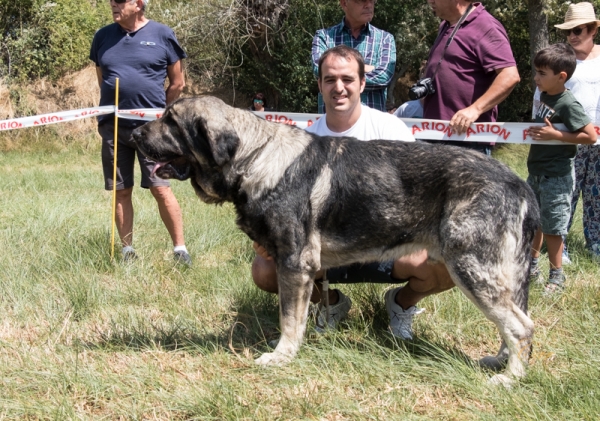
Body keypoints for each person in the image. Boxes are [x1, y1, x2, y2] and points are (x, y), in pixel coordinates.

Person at [252, 45, 455, 340]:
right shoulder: (303, 144)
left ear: (362, 83)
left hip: (388, 245)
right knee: (265, 270)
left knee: (450, 261)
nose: (339, 88)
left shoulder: (391, 129)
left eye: (347, 79)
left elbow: (421, 191)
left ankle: (402, 304)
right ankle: (331, 304)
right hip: (326, 252)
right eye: (330, 79)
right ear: (320, 85)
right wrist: (268, 240)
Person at [90, 0, 191, 265]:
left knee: (160, 188)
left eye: (120, 1)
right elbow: (103, 81)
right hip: (113, 127)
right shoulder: (102, 36)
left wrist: (162, 116)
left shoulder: (162, 34)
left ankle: (180, 250)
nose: (114, 5)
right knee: (121, 190)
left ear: (138, 4)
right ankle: (127, 252)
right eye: (112, 1)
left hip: (152, 130)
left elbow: (178, 83)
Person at [527, 43, 597, 294]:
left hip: (556, 175)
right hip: (536, 171)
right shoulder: (546, 95)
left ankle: (556, 278)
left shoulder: (568, 103)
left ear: (561, 76)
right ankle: (531, 267)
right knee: (533, 222)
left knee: (553, 228)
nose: (536, 78)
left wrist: (555, 134)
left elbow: (589, 136)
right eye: (535, 72)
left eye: (541, 73)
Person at [422, 0, 520, 155]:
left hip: (468, 140)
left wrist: (475, 110)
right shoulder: (446, 25)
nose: (430, 1)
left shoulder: (486, 26)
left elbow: (509, 75)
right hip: (435, 135)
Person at [552, 2, 600, 262]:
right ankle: (560, 250)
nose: (572, 35)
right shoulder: (561, 60)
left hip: (599, 143)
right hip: (567, 139)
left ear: (593, 29)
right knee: (564, 195)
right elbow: (543, 95)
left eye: (578, 30)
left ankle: (596, 245)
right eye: (568, 31)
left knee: (597, 197)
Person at [311, 0, 396, 113]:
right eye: (362, 1)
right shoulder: (324, 37)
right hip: (331, 126)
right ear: (344, 4)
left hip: (370, 126)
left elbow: (384, 76)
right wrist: (364, 68)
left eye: (372, 1)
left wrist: (336, 74)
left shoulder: (385, 39)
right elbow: (320, 70)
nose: (369, 5)